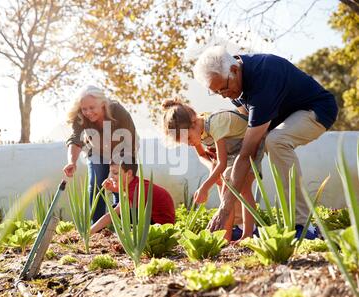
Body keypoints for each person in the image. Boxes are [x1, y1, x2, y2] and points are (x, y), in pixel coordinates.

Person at [193, 46, 338, 239]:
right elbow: (247, 131)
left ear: (235, 70)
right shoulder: (234, 86)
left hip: (317, 109)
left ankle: (303, 225)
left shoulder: (264, 78)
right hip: (281, 119)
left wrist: (224, 207)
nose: (224, 95)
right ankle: (239, 226)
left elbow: (247, 152)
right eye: (217, 92)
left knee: (276, 141)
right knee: (235, 167)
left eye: (224, 88)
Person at [161, 98, 264, 241]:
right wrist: (212, 169)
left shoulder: (215, 123)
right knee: (225, 189)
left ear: (194, 122)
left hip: (249, 146)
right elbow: (202, 155)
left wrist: (204, 187)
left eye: (189, 138)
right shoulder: (197, 131)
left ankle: (247, 234)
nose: (190, 144)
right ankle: (226, 237)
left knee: (243, 189)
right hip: (232, 153)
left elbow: (221, 164)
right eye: (186, 142)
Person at [63, 85, 138, 222]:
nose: (88, 112)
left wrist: (119, 169)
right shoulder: (80, 116)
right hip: (97, 150)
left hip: (123, 149)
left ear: (103, 104)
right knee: (96, 182)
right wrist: (72, 162)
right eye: (84, 109)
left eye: (92, 108)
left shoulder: (117, 111)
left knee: (121, 183)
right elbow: (75, 139)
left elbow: (130, 139)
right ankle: (96, 226)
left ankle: (123, 224)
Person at [90, 159, 175, 234]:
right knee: (120, 210)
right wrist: (112, 188)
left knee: (119, 213)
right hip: (157, 220)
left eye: (115, 173)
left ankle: (126, 237)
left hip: (159, 227)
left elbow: (111, 215)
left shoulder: (135, 191)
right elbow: (125, 191)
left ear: (129, 173)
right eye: (110, 172)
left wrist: (89, 232)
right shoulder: (135, 182)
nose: (111, 177)